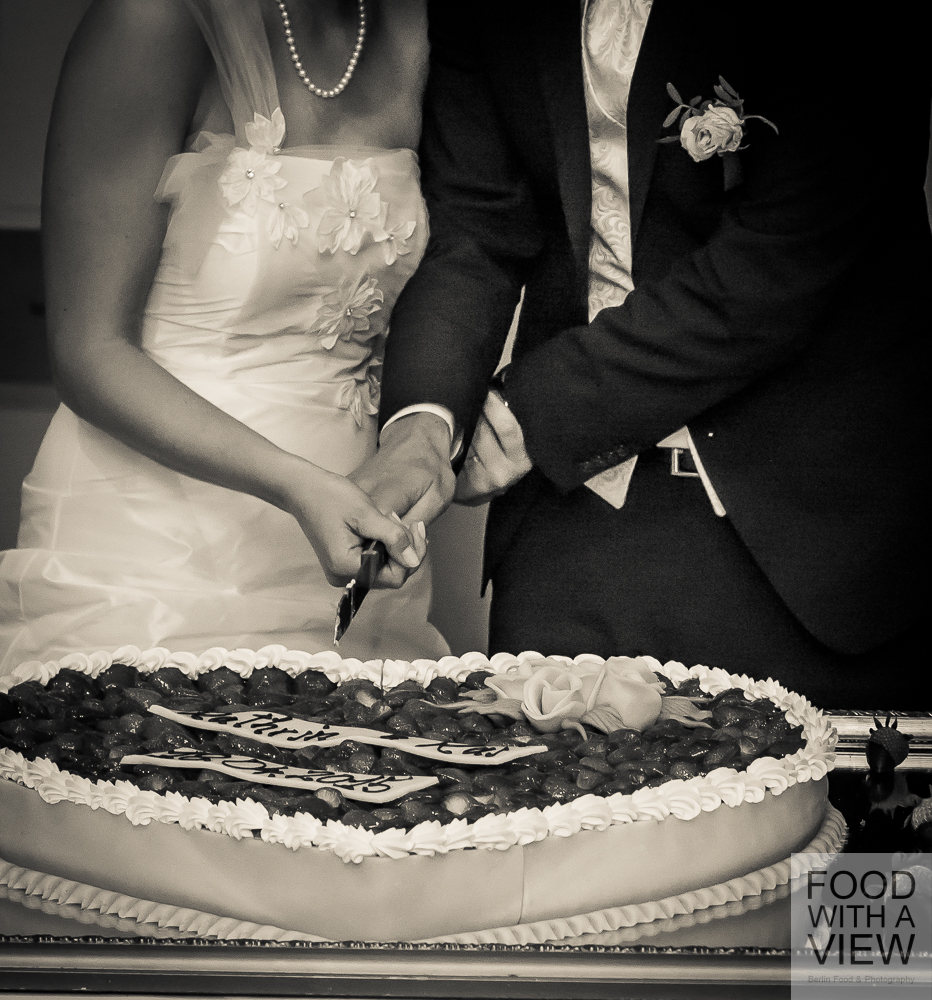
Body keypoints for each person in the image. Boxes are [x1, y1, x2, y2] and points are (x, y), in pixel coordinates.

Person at [355, 0, 932, 709]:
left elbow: (784, 259)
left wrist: (528, 414)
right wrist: (421, 428)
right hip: (566, 530)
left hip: (805, 524)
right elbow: (475, 227)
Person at [0, 0, 449, 674]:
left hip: (358, 548)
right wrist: (298, 486)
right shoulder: (152, 20)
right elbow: (88, 351)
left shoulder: (424, 24)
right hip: (153, 558)